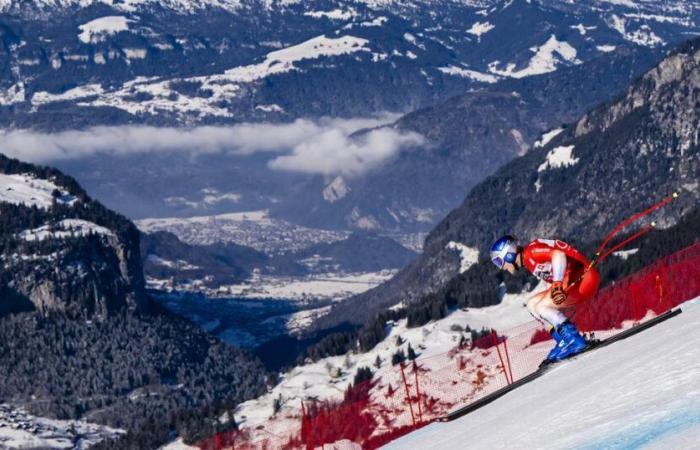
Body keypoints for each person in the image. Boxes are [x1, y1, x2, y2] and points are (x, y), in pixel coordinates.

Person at [490, 235, 600, 362]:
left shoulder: (531, 252)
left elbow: (558, 254)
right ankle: (563, 341)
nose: (501, 267)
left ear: (509, 254)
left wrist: (557, 284)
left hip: (583, 280)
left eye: (499, 261)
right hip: (575, 279)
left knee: (541, 307)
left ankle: (575, 341)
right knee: (532, 304)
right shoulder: (529, 259)